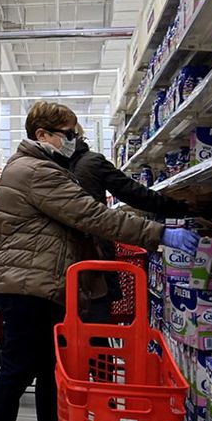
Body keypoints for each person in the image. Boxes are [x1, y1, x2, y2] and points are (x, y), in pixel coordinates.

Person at [0, 101, 199, 421]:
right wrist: (160, 234)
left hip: (38, 282)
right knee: (18, 368)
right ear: (42, 134)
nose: (74, 140)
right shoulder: (37, 171)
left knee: (50, 369)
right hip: (27, 284)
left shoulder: (39, 167)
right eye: (68, 134)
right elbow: (91, 214)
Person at [69, 125, 191, 321]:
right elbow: (134, 193)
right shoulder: (91, 162)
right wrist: (181, 208)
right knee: (97, 321)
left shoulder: (55, 166)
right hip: (96, 253)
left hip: (66, 263)